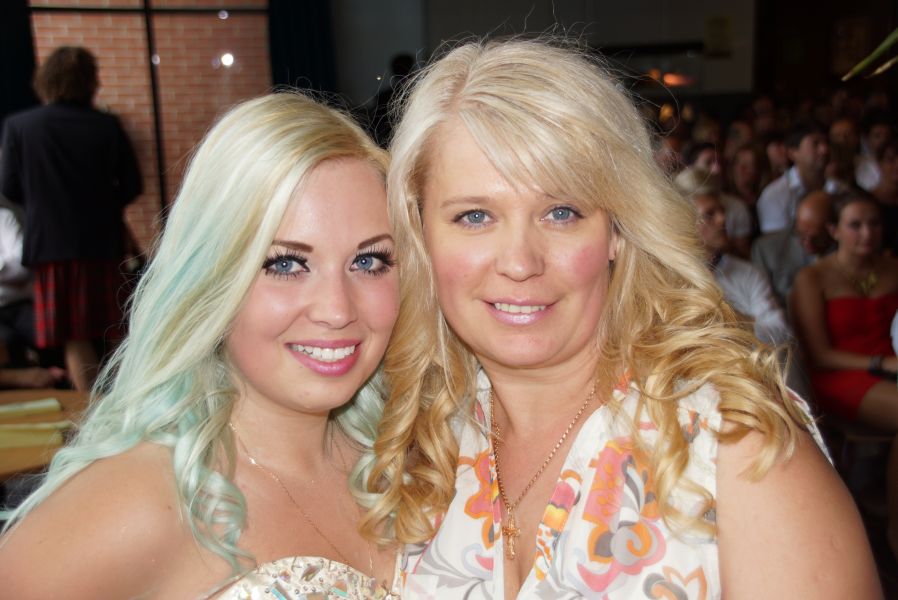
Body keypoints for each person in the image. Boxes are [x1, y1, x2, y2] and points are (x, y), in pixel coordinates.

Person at [368, 39, 880, 598]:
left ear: (618, 228)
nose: (519, 261)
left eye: (561, 212)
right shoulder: (422, 443)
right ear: (420, 234)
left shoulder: (737, 449)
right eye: (474, 216)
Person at [0, 92, 400, 599]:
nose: (337, 310)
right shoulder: (137, 502)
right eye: (284, 264)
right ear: (212, 277)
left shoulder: (407, 459)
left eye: (368, 261)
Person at [0, 46, 142, 392]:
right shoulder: (106, 125)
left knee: (73, 334)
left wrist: (43, 206)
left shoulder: (20, 126)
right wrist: (99, 206)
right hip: (103, 242)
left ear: (45, 79)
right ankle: (127, 403)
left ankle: (90, 412)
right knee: (113, 328)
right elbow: (132, 185)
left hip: (51, 247)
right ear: (90, 81)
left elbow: (8, 187)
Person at [789, 190, 898, 561]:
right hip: (840, 376)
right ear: (834, 230)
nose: (866, 233)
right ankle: (894, 532)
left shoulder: (893, 268)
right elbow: (819, 354)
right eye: (855, 225)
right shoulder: (813, 277)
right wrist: (881, 364)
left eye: (874, 223)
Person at [751, 190, 835, 307]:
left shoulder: (845, 252)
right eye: (801, 234)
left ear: (833, 230)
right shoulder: (766, 250)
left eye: (816, 238)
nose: (807, 242)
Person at [756, 122, 837, 234]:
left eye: (826, 143)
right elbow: (777, 242)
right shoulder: (775, 195)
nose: (824, 149)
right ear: (792, 153)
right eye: (815, 144)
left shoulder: (840, 189)